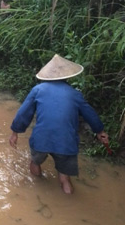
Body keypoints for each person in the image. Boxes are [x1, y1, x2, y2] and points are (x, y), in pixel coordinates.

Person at [9, 54, 109, 195]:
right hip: (66, 142)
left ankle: (38, 191)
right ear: (67, 76)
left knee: (35, 163)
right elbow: (90, 114)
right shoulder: (75, 94)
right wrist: (100, 132)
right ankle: (70, 204)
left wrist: (15, 133)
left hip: (41, 139)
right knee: (64, 179)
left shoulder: (37, 90)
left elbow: (23, 113)